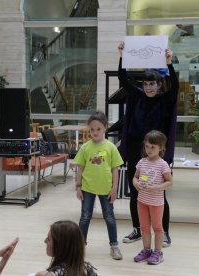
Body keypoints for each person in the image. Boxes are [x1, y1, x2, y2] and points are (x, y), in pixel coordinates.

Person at [117, 41, 178, 247]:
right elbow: (124, 80)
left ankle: (164, 232)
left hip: (157, 155)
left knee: (158, 192)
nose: (149, 87)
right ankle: (137, 228)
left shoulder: (164, 99)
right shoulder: (137, 96)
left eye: (152, 84)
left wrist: (169, 64)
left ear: (159, 84)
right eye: (145, 84)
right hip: (137, 151)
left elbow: (176, 86)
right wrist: (122, 56)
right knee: (137, 191)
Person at [73, 111, 124, 260]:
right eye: (92, 130)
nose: (94, 132)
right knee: (85, 217)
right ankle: (80, 246)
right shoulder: (85, 148)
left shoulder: (111, 148)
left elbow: (116, 169)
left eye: (98, 129)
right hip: (87, 188)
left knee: (109, 217)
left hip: (106, 189)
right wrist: (78, 187)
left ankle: (114, 246)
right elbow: (80, 167)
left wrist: (115, 188)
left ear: (105, 128)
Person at [132, 130, 173, 265]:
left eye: (153, 147)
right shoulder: (142, 162)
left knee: (157, 227)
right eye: (147, 146)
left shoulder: (163, 164)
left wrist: (156, 188)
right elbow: (135, 177)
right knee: (144, 227)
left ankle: (158, 252)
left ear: (161, 148)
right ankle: (146, 250)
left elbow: (169, 182)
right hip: (142, 201)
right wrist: (136, 183)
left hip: (156, 202)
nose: (149, 149)